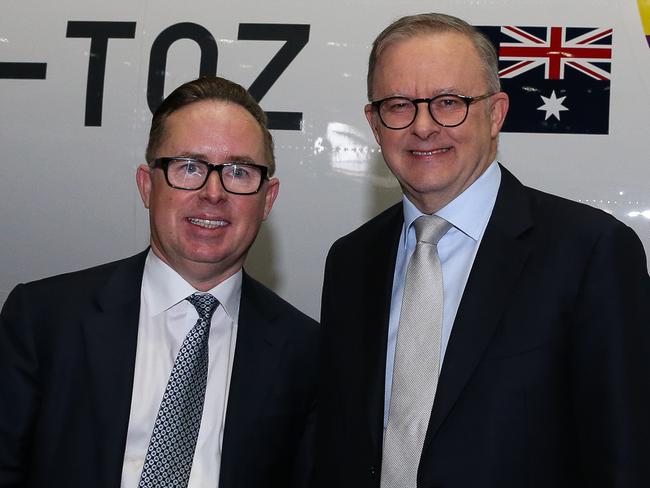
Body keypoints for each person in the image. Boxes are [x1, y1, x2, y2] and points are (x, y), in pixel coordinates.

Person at [315, 13, 650, 488]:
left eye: (449, 102)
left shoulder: (591, 253)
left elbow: (627, 458)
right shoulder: (350, 261)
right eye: (398, 105)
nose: (424, 126)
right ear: (373, 122)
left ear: (495, 113)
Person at [0, 76, 318, 488]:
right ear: (147, 186)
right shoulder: (42, 320)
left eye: (239, 172)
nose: (213, 192)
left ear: (267, 199)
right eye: (189, 167)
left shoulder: (307, 353)